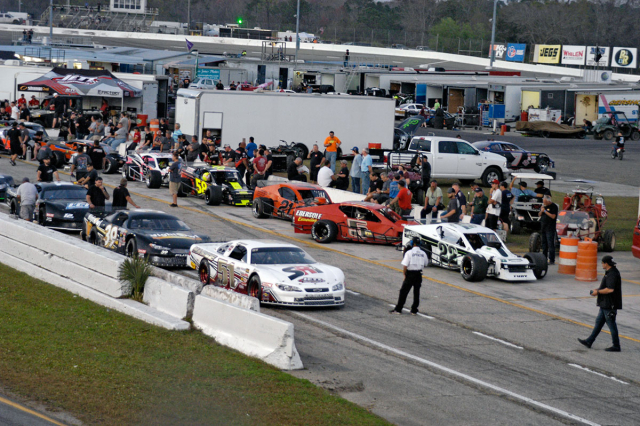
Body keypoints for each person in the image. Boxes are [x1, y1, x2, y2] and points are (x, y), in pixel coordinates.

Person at [578, 255, 622, 352]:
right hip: (605, 304)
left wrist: (597, 292)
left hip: (610, 304)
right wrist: (597, 290)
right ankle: (589, 341)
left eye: (602, 263)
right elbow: (605, 287)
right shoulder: (610, 272)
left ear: (606, 264)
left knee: (611, 324)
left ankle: (616, 346)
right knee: (598, 322)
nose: (602, 264)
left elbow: (610, 289)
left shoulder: (612, 274)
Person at [389, 236, 428, 315]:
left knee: (403, 292)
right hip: (418, 274)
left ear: (412, 243)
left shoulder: (409, 253)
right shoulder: (423, 253)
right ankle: (414, 310)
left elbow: (405, 265)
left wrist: (404, 274)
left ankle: (398, 309)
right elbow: (426, 263)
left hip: (410, 274)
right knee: (416, 292)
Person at [539, 194, 558, 265]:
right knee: (544, 244)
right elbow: (539, 214)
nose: (544, 203)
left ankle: (552, 259)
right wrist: (541, 210)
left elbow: (553, 216)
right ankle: (544, 258)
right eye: (543, 202)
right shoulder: (543, 206)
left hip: (550, 228)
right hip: (543, 227)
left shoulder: (554, 207)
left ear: (548, 201)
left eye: (545, 202)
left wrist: (545, 211)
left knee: (550, 244)